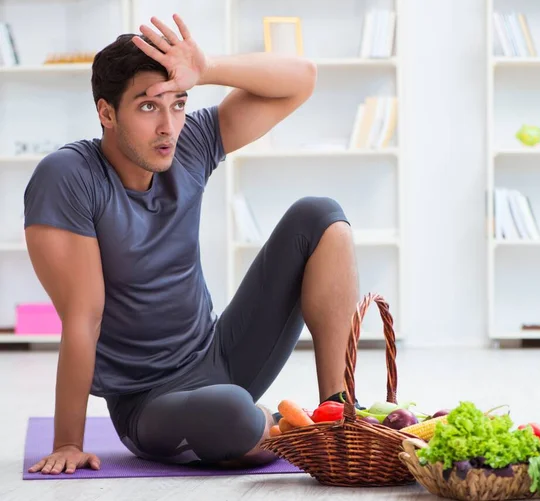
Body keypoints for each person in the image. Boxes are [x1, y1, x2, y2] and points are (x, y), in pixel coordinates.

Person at [24, 14, 360, 475]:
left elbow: (302, 79)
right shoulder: (70, 177)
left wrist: (207, 69)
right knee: (233, 413)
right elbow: (83, 316)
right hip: (150, 402)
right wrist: (67, 442)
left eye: (178, 104)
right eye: (148, 107)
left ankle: (339, 413)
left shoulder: (190, 142)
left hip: (220, 352)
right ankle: (272, 428)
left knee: (321, 216)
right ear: (106, 112)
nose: (168, 126)